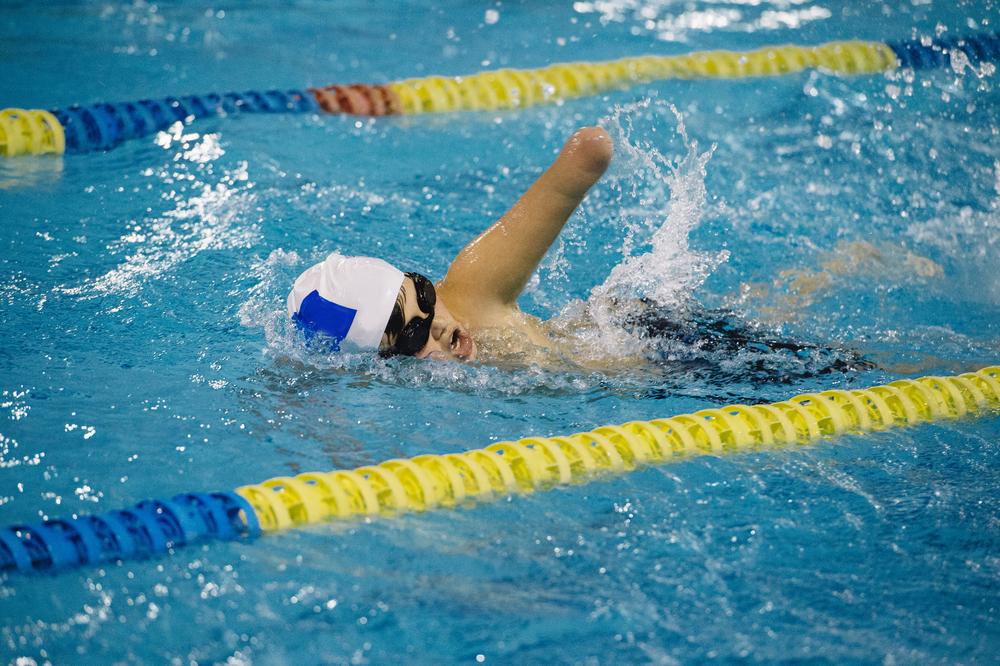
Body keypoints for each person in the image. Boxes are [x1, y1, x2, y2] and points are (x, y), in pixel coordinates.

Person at [288, 126, 614, 363]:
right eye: (414, 334)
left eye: (424, 294)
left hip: (638, 347)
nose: (440, 325)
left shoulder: (475, 289)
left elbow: (586, 154)